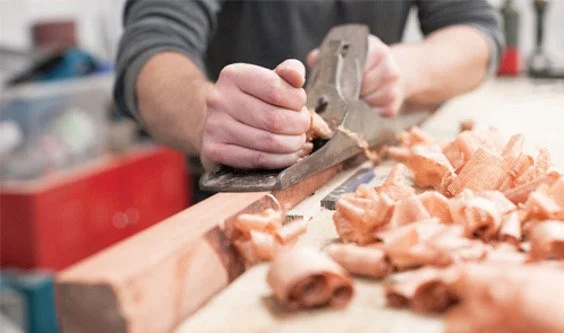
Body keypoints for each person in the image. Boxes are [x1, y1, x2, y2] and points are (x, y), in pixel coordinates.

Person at [114, 0, 503, 171]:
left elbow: (476, 33)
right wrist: (204, 114)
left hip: (370, 164)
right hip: (237, 193)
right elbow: (150, 50)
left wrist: (403, 68)